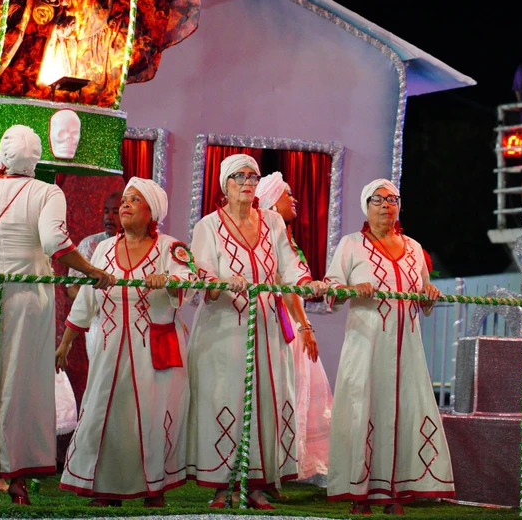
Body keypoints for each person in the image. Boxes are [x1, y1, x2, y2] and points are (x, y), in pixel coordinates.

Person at [0, 125, 114, 506]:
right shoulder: (47, 191)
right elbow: (55, 242)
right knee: (22, 380)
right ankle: (15, 475)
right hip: (25, 296)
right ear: (37, 157)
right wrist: (93, 271)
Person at [186, 154, 327, 509]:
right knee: (224, 398)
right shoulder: (208, 226)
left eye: (253, 176)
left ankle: (258, 483)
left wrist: (307, 284)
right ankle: (223, 484)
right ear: (225, 184)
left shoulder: (274, 222)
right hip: (222, 330)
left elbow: (289, 266)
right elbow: (199, 273)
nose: (248, 183)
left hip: (265, 327)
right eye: (239, 177)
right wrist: (221, 283)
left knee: (265, 398)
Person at [56, 178, 189, 507]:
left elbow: (188, 278)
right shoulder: (102, 249)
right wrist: (67, 341)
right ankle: (104, 487)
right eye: (124, 200)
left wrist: (169, 280)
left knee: (152, 416)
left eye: (135, 200)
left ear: (152, 212)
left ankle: (153, 489)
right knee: (105, 413)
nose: (126, 205)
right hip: (108, 347)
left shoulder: (170, 247)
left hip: (154, 348)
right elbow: (86, 298)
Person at [325, 179, 454, 514]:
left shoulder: (413, 247)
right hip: (366, 347)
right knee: (364, 410)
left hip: (407, 350)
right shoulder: (351, 245)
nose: (386, 205)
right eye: (378, 200)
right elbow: (331, 290)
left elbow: (422, 297)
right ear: (366, 206)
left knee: (403, 412)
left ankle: (393, 493)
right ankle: (359, 493)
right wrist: (354, 289)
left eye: (392, 199)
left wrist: (430, 295)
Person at [255, 172, 333, 485]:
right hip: (278, 326)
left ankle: (285, 468)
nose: (295, 199)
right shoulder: (269, 236)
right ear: (274, 203)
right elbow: (285, 289)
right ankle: (273, 470)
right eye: (288, 194)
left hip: (287, 325)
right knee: (282, 395)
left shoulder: (282, 237)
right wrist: (304, 326)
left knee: (295, 395)